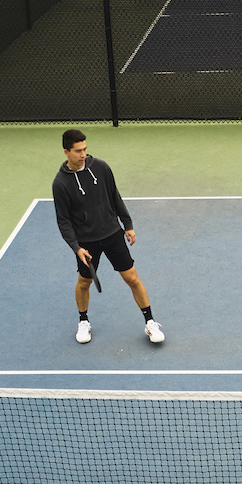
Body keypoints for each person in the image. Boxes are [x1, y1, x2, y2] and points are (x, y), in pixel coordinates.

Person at [51, 129, 164, 345]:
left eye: (85, 149)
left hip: (112, 234)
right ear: (66, 152)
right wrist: (76, 247)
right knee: (84, 282)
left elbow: (114, 196)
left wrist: (127, 224)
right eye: (77, 151)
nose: (83, 154)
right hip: (86, 242)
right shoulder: (61, 184)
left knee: (132, 278)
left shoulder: (100, 168)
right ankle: (83, 321)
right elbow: (63, 220)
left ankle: (150, 322)